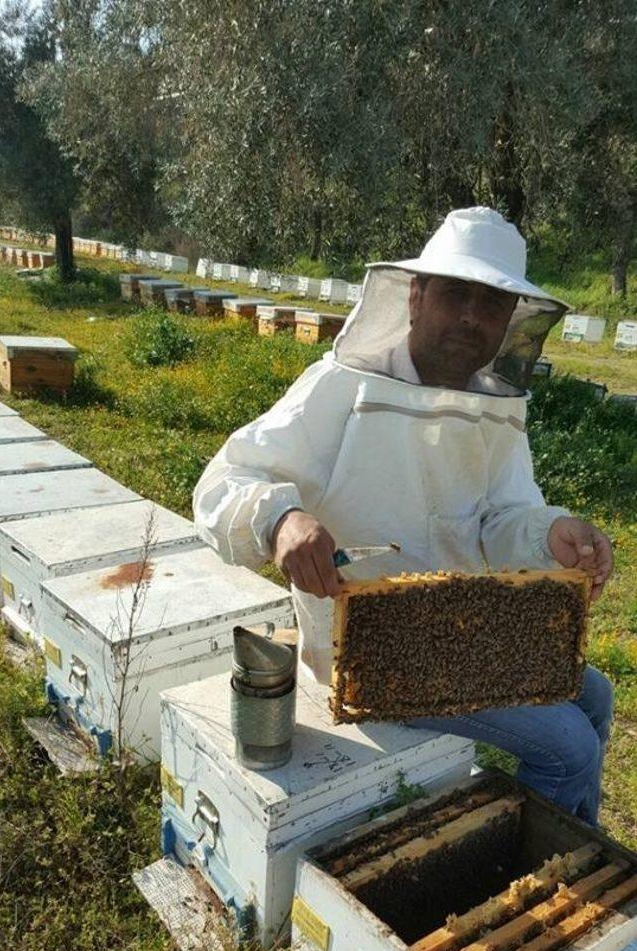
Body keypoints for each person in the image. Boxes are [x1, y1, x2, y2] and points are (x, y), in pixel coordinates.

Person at [193, 207, 614, 826]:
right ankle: (530, 877)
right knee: (570, 747)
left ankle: (575, 845)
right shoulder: (342, 388)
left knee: (597, 696)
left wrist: (547, 532)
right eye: (455, 293)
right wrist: (281, 519)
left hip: (463, 624)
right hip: (367, 652)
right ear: (414, 296)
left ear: (511, 321)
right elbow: (223, 481)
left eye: (492, 303)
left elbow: (500, 517)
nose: (472, 316)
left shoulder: (495, 405)